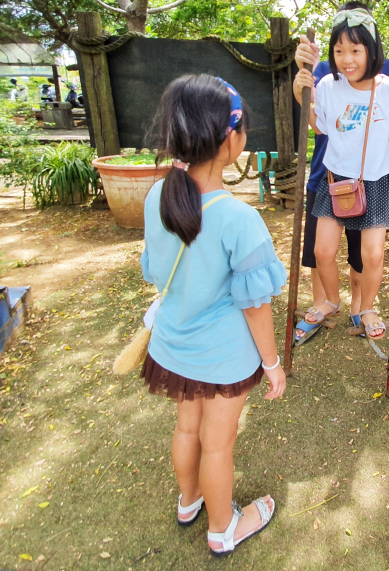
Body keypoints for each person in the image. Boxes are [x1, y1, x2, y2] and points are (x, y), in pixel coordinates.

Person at [140, 74, 287, 557]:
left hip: (172, 348)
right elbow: (255, 304)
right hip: (223, 360)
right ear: (231, 138)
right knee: (217, 444)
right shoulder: (239, 218)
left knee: (187, 428)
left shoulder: (154, 198)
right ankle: (224, 527)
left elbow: (152, 269)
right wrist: (271, 362)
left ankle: (189, 502)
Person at [291, 2, 389, 344]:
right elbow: (318, 124)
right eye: (339, 50)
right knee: (323, 251)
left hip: (374, 182)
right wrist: (302, 95)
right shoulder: (327, 84)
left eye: (355, 50)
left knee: (372, 255)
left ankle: (368, 307)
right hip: (334, 182)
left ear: (371, 50)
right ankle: (330, 300)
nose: (347, 58)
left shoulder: (387, 88)